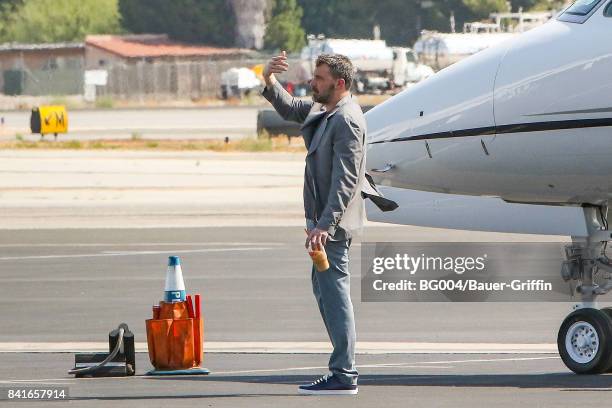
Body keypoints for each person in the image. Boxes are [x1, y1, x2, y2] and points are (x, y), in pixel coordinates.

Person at [262, 51, 366, 395]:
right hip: (321, 224)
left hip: (331, 228)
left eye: (319, 78)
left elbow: (345, 182)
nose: (312, 82)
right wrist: (269, 80)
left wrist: (325, 225)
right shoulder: (325, 109)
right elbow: (292, 108)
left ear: (339, 83)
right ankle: (342, 370)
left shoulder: (346, 120)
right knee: (325, 293)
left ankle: (344, 374)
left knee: (335, 296)